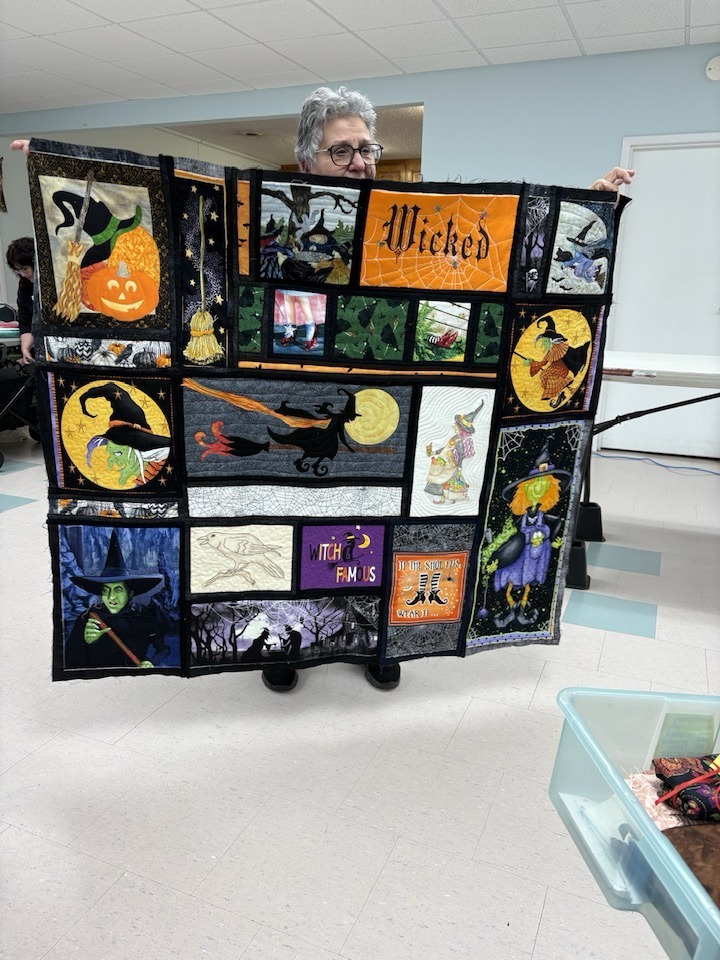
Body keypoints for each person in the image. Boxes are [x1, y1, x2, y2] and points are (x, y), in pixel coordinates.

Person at [10, 88, 634, 694]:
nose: (359, 161)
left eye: (366, 148)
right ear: (307, 160)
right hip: (292, 413)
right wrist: (54, 162)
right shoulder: (267, 218)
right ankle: (284, 645)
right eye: (342, 151)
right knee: (282, 526)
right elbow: (175, 236)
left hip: (387, 420)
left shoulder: (406, 220)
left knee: (374, 532)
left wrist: (592, 204)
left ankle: (379, 642)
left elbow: (511, 244)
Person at [5, 236, 35, 365]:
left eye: (25, 268)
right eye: (18, 270)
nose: (23, 274)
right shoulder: (24, 287)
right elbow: (26, 322)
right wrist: (25, 349)